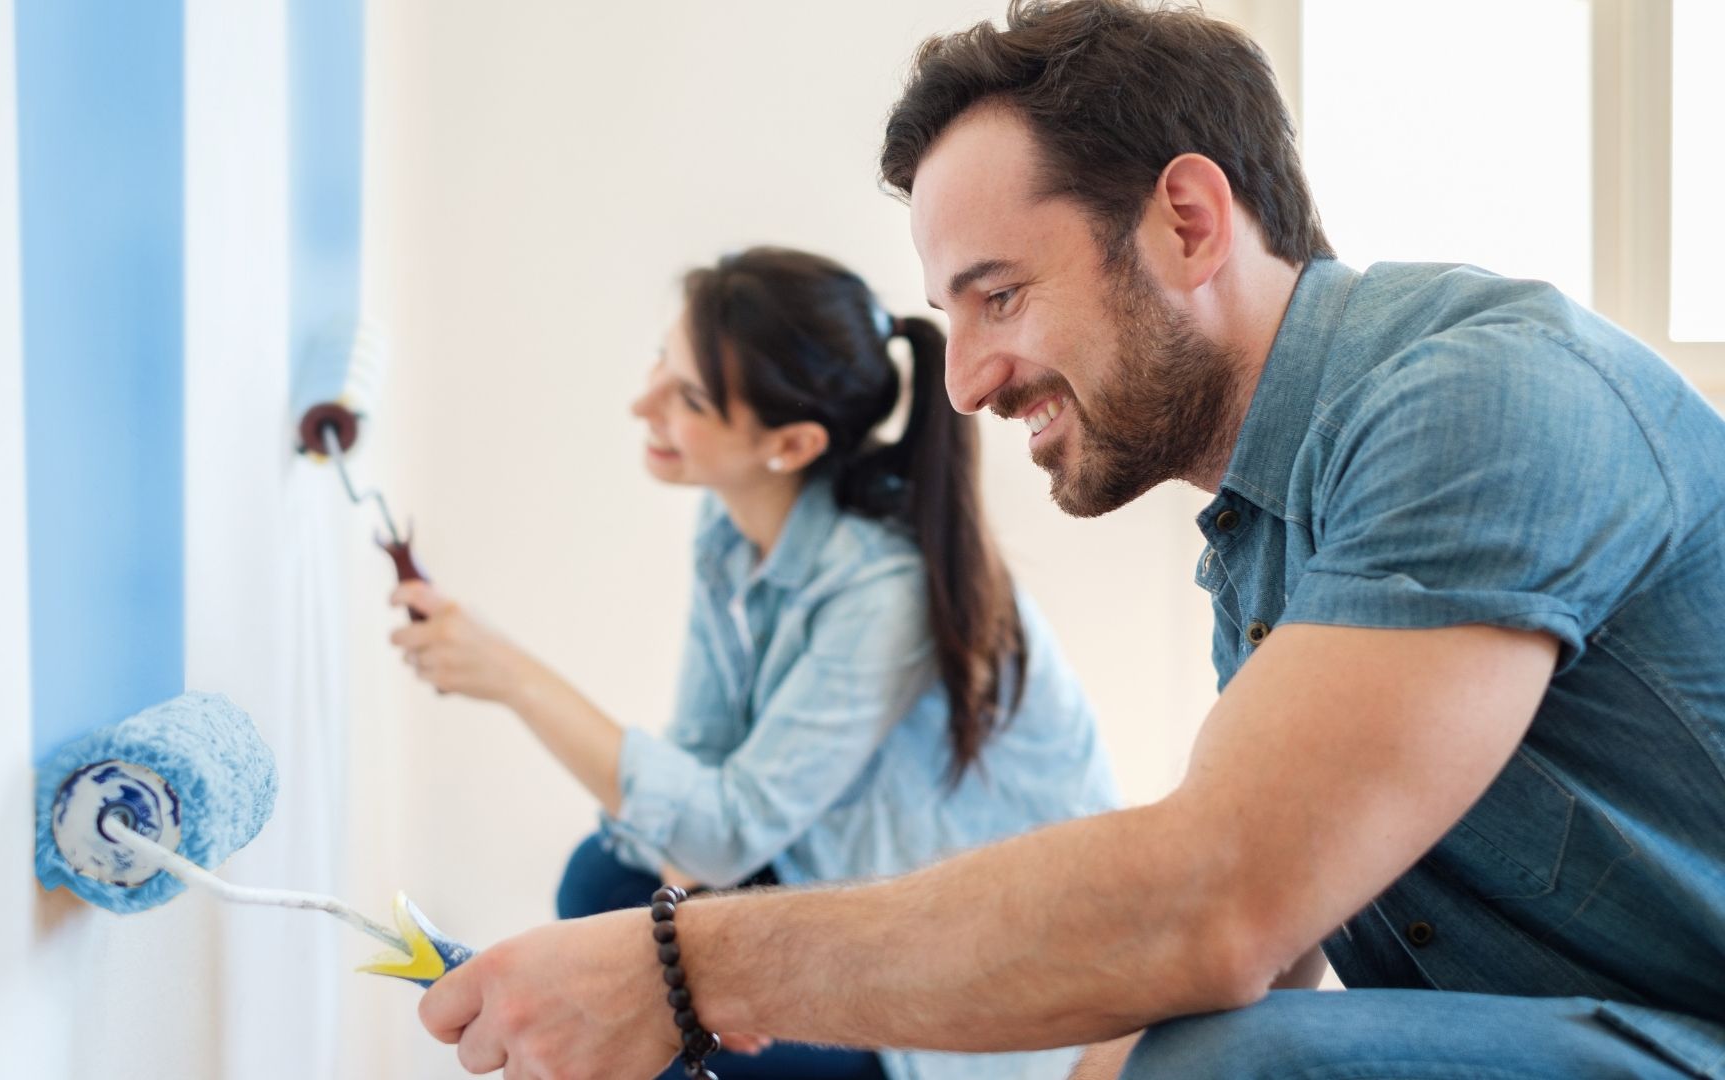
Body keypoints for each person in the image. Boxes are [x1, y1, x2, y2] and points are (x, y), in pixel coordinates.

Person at [410, 3, 1725, 1078]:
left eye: (1000, 296)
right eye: (951, 313)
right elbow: (1269, 933)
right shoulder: (1260, 539)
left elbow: (1217, 904)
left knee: (1226, 1070)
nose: (968, 382)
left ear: (1188, 222)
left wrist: (690, 964)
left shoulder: (1483, 397)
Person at [390, 246, 1119, 1080]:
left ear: (791, 444)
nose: (643, 404)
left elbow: (726, 831)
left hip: (955, 988)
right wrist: (694, 926)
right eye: (662, 361)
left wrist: (510, 676)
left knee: (638, 973)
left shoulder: (886, 593)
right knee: (606, 885)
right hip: (836, 875)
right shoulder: (731, 530)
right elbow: (703, 769)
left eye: (689, 397)